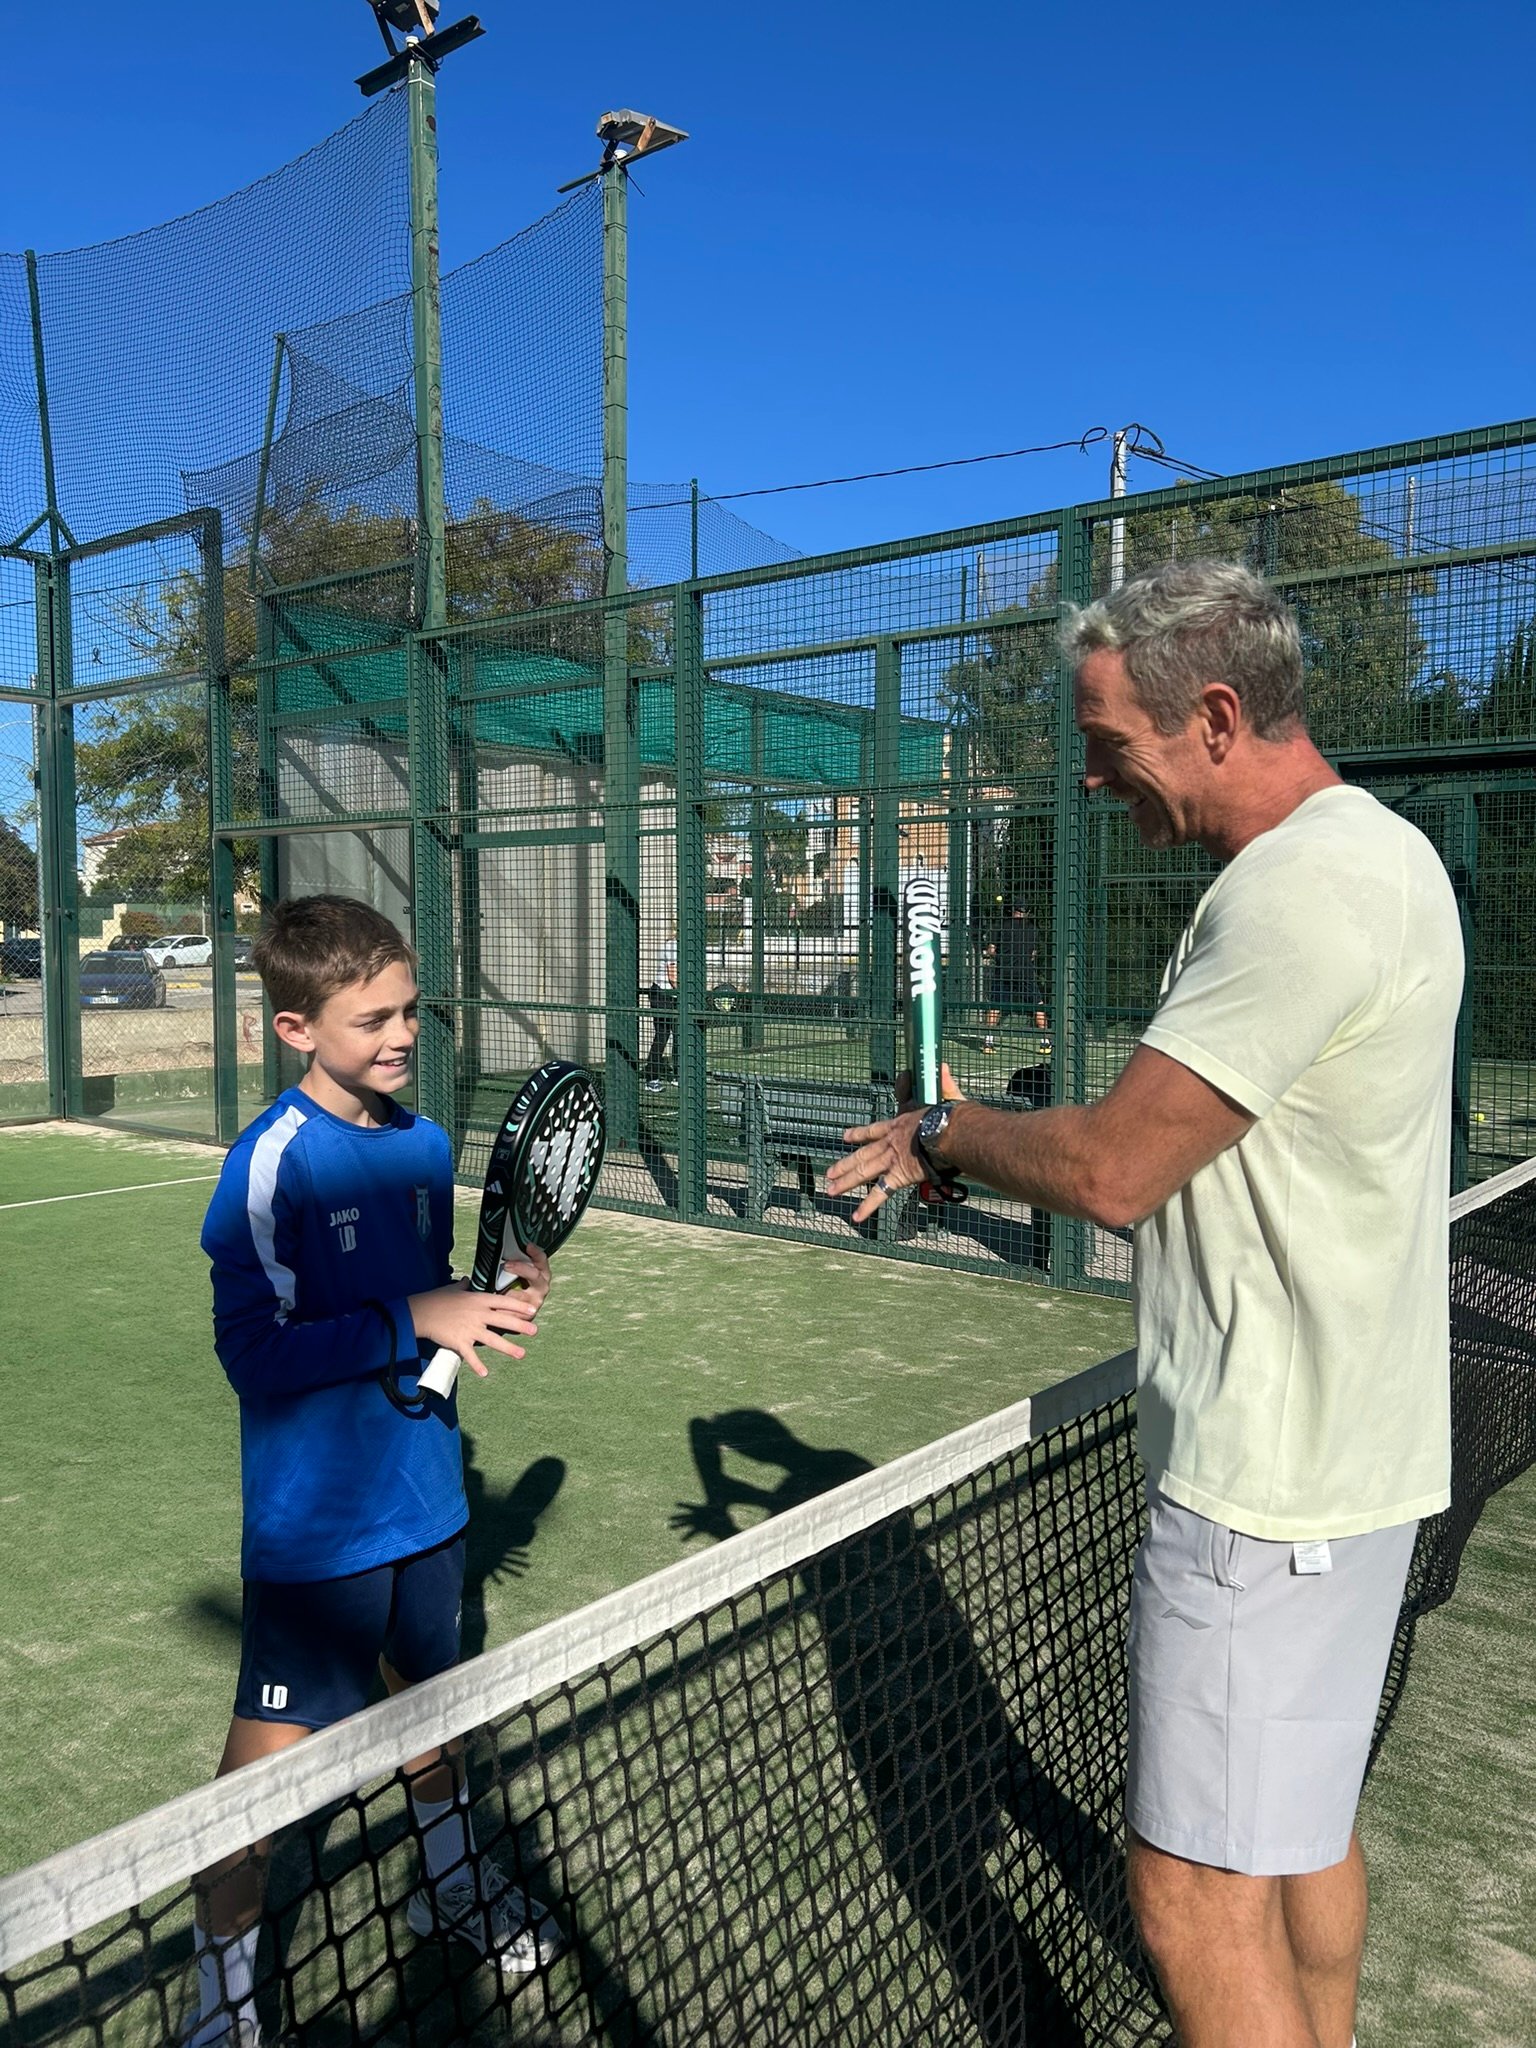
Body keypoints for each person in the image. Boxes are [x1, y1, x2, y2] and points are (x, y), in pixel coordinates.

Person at [828, 559, 1463, 2048]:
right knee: (1298, 1833)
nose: (1100, 781)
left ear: (1219, 716)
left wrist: (944, 1132)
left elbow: (1115, 1170)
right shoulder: (1388, 856)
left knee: (1186, 1888)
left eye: (1111, 747)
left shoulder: (1297, 897)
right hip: (1355, 1467)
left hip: (1266, 1489)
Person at [189, 896, 562, 2048]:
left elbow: (431, 1286)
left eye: (410, 1010)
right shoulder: (272, 1166)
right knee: (258, 1787)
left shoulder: (422, 1141)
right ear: (297, 1027)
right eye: (373, 1019)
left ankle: (447, 1882)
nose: (403, 1035)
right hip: (319, 1531)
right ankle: (224, 2003)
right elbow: (255, 1354)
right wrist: (417, 1312)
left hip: (429, 1500)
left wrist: (490, 1293)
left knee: (432, 1716)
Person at [981, 900, 1048, 1053]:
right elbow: (1033, 954)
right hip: (1025, 972)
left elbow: (991, 950)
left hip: (1003, 971)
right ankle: (1045, 1042)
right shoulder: (1032, 929)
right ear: (1027, 913)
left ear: (1012, 911)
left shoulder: (1000, 926)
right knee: (1038, 1004)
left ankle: (988, 1042)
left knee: (995, 1005)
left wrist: (1001, 957)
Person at [644, 922, 679, 1091]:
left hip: (675, 996)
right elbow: (673, 978)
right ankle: (651, 1077)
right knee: (662, 1034)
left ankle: (679, 1074)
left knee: (680, 1033)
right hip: (662, 995)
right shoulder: (672, 946)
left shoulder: (687, 947)